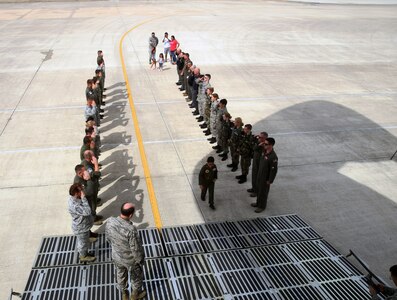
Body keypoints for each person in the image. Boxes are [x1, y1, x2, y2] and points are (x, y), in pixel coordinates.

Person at [106, 203, 146, 300]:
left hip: (116, 256)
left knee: (120, 274)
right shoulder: (131, 230)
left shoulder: (110, 222)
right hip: (130, 260)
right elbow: (136, 249)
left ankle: (124, 293)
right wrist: (140, 260)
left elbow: (108, 238)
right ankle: (135, 295)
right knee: (136, 277)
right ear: (131, 215)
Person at [68, 183, 96, 262]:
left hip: (85, 225)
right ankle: (83, 256)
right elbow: (87, 211)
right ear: (76, 193)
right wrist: (84, 198)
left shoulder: (76, 198)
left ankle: (88, 236)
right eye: (81, 191)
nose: (83, 192)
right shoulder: (74, 205)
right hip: (81, 228)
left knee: (85, 238)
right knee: (83, 243)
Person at [251, 137, 278, 213]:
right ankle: (258, 203)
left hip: (265, 178)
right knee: (259, 190)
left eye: (266, 144)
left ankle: (262, 206)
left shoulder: (273, 157)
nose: (264, 145)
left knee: (263, 192)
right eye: (264, 144)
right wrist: (260, 144)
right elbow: (255, 149)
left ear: (271, 145)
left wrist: (270, 180)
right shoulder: (264, 151)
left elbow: (274, 170)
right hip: (260, 174)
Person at [247, 132, 268, 197]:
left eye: (261, 137)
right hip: (255, 162)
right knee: (254, 176)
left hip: (260, 164)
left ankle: (257, 191)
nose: (259, 138)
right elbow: (252, 146)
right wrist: (254, 137)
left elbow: (255, 149)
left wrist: (261, 145)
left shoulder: (266, 145)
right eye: (259, 136)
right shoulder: (258, 142)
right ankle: (254, 188)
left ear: (265, 138)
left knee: (258, 178)